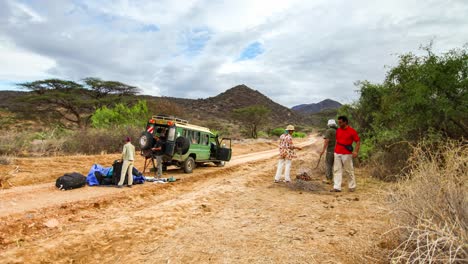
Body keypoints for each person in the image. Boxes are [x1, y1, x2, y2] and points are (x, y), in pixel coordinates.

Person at [331, 116, 360, 192]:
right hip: (337, 153)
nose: (339, 124)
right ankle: (337, 187)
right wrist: (334, 151)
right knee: (337, 170)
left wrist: (356, 151)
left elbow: (357, 141)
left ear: (345, 122)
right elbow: (337, 141)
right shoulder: (338, 130)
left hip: (347, 154)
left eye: (340, 122)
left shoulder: (352, 131)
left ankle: (352, 186)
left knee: (349, 170)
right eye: (338, 122)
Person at [320, 119, 337, 184]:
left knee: (329, 165)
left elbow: (326, 140)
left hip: (330, 151)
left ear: (329, 125)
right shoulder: (337, 131)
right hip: (337, 151)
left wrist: (323, 150)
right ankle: (336, 180)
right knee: (336, 166)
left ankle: (329, 179)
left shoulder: (329, 131)